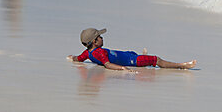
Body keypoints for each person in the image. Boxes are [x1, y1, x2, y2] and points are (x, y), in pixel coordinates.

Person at [67, 27, 197, 71]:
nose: (102, 38)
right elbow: (108, 65)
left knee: (132, 53)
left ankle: (142, 56)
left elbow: (79, 58)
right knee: (156, 59)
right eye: (100, 37)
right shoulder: (100, 52)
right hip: (132, 62)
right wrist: (122, 68)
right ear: (95, 42)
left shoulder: (87, 53)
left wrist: (71, 58)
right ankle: (182, 65)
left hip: (128, 55)